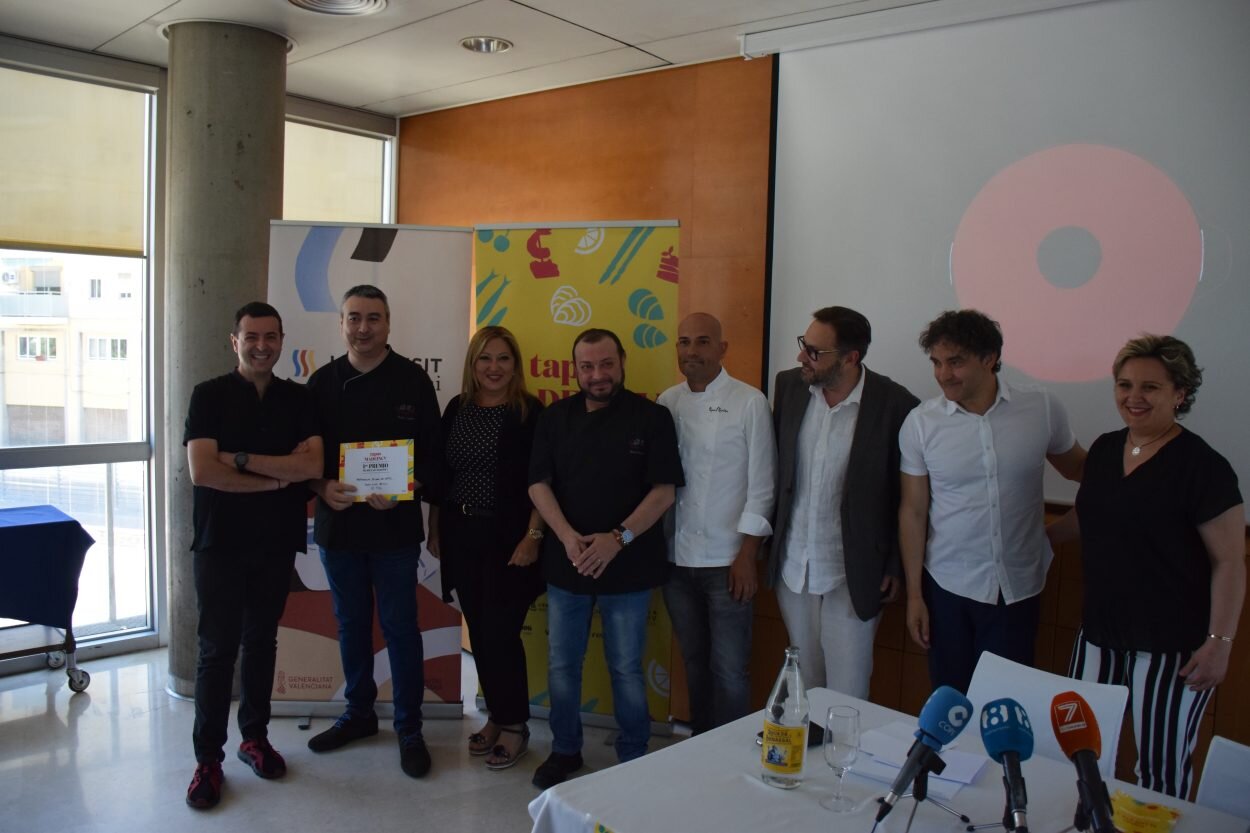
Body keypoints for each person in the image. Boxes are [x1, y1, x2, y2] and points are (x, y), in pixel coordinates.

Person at [1048, 334, 1243, 797]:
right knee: (1080, 757)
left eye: (1150, 387)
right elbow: (1091, 514)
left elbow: (1230, 561)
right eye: (1125, 385)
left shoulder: (1204, 467)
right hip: (1099, 635)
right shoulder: (1105, 450)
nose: (1134, 397)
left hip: (1172, 647)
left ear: (1180, 394)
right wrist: (1039, 540)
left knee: (1160, 772)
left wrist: (1219, 644)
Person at [527, 328, 684, 789]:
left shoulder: (652, 417)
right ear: (575, 370)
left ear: (622, 362)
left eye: (606, 364)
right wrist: (567, 537)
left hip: (629, 566)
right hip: (568, 562)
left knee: (626, 667)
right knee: (562, 666)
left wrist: (618, 538)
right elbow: (538, 484)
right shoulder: (555, 418)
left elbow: (664, 492)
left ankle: (633, 754)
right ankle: (565, 749)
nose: (598, 375)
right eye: (587, 366)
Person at [898, 309, 1085, 694]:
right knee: (950, 704)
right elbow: (913, 512)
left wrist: (1058, 533)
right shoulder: (921, 423)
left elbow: (1083, 472)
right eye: (936, 362)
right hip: (947, 586)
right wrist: (915, 596)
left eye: (956, 362)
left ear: (990, 358)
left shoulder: (1041, 408)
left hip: (1018, 588)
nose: (943, 374)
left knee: (1005, 704)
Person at [183, 301, 324, 809]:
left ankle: (254, 739)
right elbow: (204, 471)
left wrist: (239, 460)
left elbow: (312, 465)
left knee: (261, 643)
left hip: (274, 543)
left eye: (270, 337)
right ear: (235, 341)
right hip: (219, 543)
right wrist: (277, 479)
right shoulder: (209, 395)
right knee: (216, 651)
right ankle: (208, 760)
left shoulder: (298, 399)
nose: (261, 346)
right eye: (251, 337)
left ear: (282, 341)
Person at [304, 284, 441, 778]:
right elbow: (305, 459)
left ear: (388, 323)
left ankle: (409, 727)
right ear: (341, 323)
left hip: (394, 532)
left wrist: (406, 486)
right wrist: (322, 485)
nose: (363, 328)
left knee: (401, 628)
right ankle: (359, 713)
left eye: (373, 318)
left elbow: (433, 457)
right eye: (354, 318)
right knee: (351, 625)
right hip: (339, 530)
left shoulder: (413, 381)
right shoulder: (321, 383)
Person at [768, 306, 918, 698]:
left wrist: (894, 563)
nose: (801, 356)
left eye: (814, 351)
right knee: (804, 683)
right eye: (803, 345)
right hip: (794, 565)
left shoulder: (895, 404)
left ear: (851, 358)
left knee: (848, 690)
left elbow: (905, 494)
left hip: (854, 570)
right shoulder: (789, 387)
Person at [426, 326, 545, 770]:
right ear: (472, 364)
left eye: (503, 359)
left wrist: (533, 537)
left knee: (501, 634)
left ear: (515, 365)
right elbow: (442, 475)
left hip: (509, 538)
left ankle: (515, 725)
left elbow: (542, 481)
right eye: (485, 358)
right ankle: (497, 715)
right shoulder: (457, 408)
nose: (494, 367)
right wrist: (435, 528)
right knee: (479, 631)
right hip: (461, 533)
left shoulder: (529, 412)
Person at [657, 313, 776, 733]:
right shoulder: (667, 402)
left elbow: (763, 486)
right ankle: (701, 743)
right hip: (675, 561)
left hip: (727, 562)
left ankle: (728, 753)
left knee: (730, 670)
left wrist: (747, 555)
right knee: (693, 661)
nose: (691, 351)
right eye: (684, 342)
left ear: (722, 349)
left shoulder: (750, 402)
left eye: (703, 341)